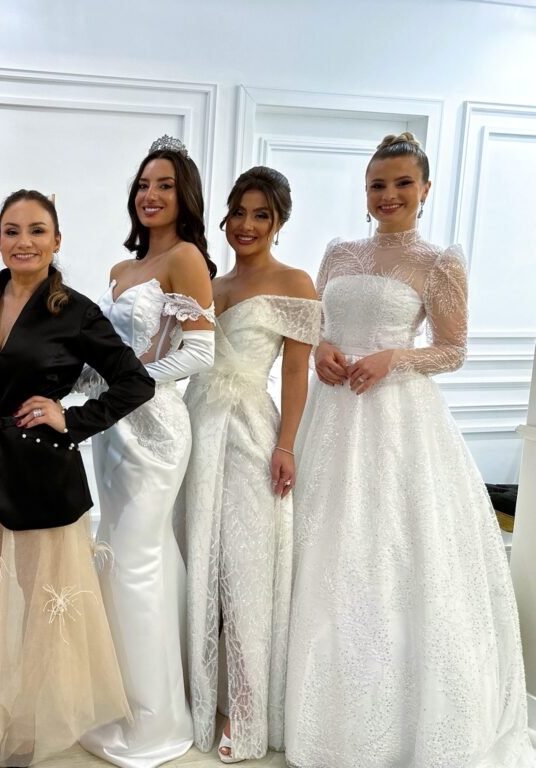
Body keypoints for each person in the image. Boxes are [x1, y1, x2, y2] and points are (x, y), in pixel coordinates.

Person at [284, 133, 536, 767]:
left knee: (391, 548)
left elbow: (453, 350)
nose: (389, 195)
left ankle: (400, 713)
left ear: (425, 190)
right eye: (378, 184)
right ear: (365, 191)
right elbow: (315, 324)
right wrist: (322, 351)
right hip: (331, 413)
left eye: (402, 183)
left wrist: (394, 357)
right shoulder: (338, 252)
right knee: (322, 543)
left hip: (398, 419)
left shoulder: (439, 262)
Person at [0, 189, 155, 768]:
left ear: (56, 240)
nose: (23, 242)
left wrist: (71, 418)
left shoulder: (75, 311)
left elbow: (135, 381)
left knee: (42, 616)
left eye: (37, 230)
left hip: (44, 476)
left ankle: (10, 735)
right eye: (12, 231)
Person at [78, 135, 215, 768]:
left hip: (156, 428)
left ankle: (154, 721)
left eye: (164, 185)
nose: (150, 195)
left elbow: (200, 352)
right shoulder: (120, 270)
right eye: (142, 185)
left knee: (137, 558)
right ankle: (119, 703)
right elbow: (108, 356)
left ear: (184, 196)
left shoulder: (186, 258)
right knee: (122, 555)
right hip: (112, 430)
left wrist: (131, 382)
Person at [181, 167, 318, 763]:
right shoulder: (212, 283)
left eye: (261, 215)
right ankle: (203, 694)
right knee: (200, 560)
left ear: (278, 222)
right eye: (238, 212)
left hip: (251, 432)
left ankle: (245, 708)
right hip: (197, 426)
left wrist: (286, 445)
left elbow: (296, 373)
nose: (246, 225)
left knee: (245, 570)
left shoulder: (295, 282)